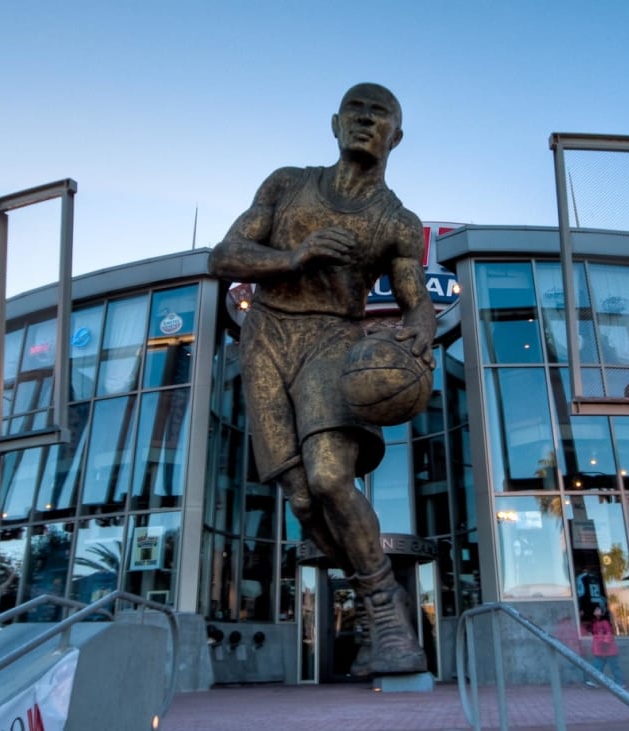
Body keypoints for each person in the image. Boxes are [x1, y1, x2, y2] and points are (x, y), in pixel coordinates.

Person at [208, 83, 436, 676]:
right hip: (266, 339)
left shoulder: (398, 222)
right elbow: (224, 255)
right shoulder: (287, 184)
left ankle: (387, 617)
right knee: (305, 501)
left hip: (335, 340)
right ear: (335, 125)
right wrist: (294, 256)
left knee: (332, 478)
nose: (365, 119)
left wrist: (421, 331)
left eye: (379, 112)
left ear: (397, 136)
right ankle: (370, 610)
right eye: (355, 110)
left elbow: (417, 302)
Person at [587, 604, 624, 686]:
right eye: (595, 610)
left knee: (614, 667)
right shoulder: (595, 622)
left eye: (598, 610)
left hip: (608, 649)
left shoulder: (604, 622)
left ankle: (619, 683)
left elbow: (608, 634)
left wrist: (604, 645)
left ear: (603, 612)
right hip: (601, 649)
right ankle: (595, 681)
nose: (596, 612)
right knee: (597, 666)